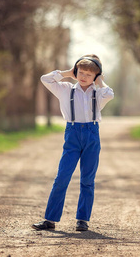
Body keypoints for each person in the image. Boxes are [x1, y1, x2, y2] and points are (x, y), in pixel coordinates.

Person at [32, 54, 114, 232]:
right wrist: (67, 73)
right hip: (72, 134)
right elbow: (44, 79)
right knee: (62, 177)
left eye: (89, 74)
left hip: (92, 134)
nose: (84, 77)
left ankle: (82, 220)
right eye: (81, 72)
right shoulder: (65, 89)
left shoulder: (98, 93)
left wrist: (100, 82)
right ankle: (50, 220)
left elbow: (110, 93)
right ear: (76, 71)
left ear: (96, 77)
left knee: (87, 180)